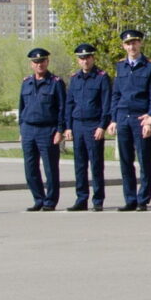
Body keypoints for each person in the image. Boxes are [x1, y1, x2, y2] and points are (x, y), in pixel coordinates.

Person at [112, 29, 151, 211]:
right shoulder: (120, 66)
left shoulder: (150, 66)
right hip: (123, 117)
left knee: (144, 160)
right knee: (126, 161)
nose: (131, 46)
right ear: (123, 46)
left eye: (134, 42)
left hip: (141, 118)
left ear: (140, 44)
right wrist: (113, 119)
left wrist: (150, 118)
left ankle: (143, 199)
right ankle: (130, 199)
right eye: (128, 43)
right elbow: (116, 94)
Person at [63, 44, 114, 212]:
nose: (85, 61)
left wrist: (102, 126)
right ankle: (81, 198)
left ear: (93, 58)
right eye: (82, 58)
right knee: (79, 164)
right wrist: (68, 126)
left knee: (96, 164)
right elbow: (69, 104)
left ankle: (98, 199)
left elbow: (106, 104)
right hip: (77, 125)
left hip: (94, 125)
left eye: (88, 57)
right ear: (78, 60)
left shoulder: (101, 77)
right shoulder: (74, 78)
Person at [18, 47, 65, 212]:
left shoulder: (56, 82)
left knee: (50, 168)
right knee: (30, 167)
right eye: (36, 62)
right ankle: (38, 198)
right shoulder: (26, 82)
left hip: (48, 130)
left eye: (42, 61)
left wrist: (60, 130)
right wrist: (21, 130)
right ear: (31, 64)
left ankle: (50, 201)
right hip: (29, 129)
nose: (40, 65)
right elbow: (21, 107)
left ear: (47, 62)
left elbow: (61, 108)